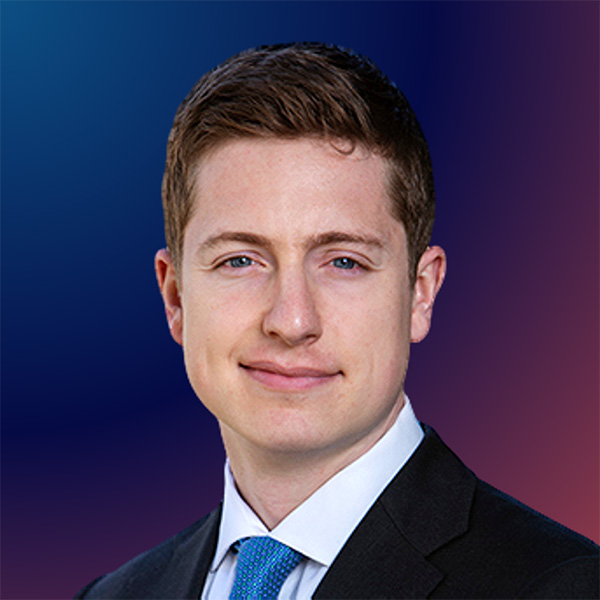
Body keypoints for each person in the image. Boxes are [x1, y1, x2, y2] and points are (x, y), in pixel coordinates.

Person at [76, 42, 599, 600]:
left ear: (420, 293)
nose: (292, 320)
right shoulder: (112, 596)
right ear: (175, 296)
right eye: (240, 261)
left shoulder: (563, 586)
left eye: (344, 262)